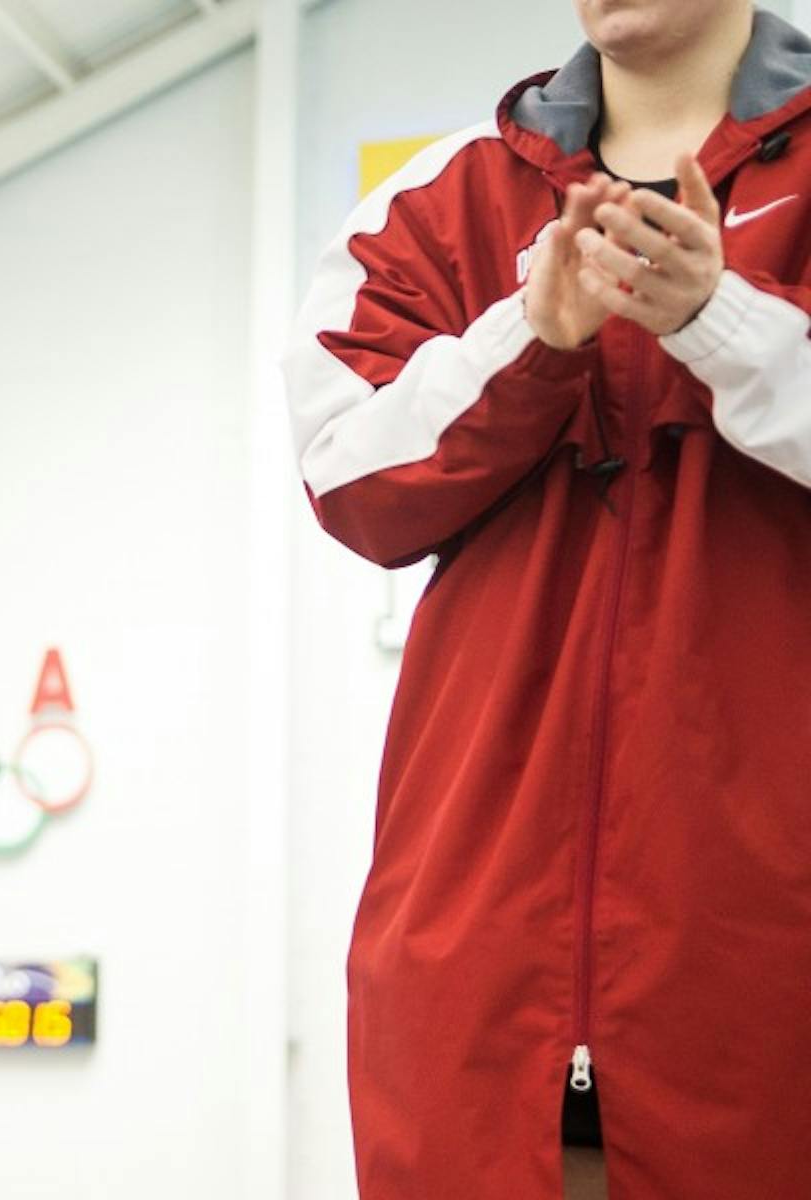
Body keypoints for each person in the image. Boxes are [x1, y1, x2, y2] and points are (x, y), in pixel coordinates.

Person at [287, 2, 811, 1197]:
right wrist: (532, 335)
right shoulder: (437, 198)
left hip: (761, 961)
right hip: (474, 961)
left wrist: (715, 323)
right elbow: (349, 479)